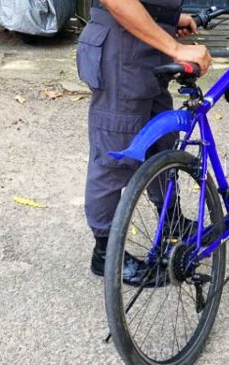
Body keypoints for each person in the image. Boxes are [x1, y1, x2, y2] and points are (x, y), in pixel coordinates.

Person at [76, 0, 211, 285]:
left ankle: (171, 221)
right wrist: (175, 47)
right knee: (115, 157)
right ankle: (105, 253)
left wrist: (168, 19)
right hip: (121, 49)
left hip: (144, 50)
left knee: (162, 143)